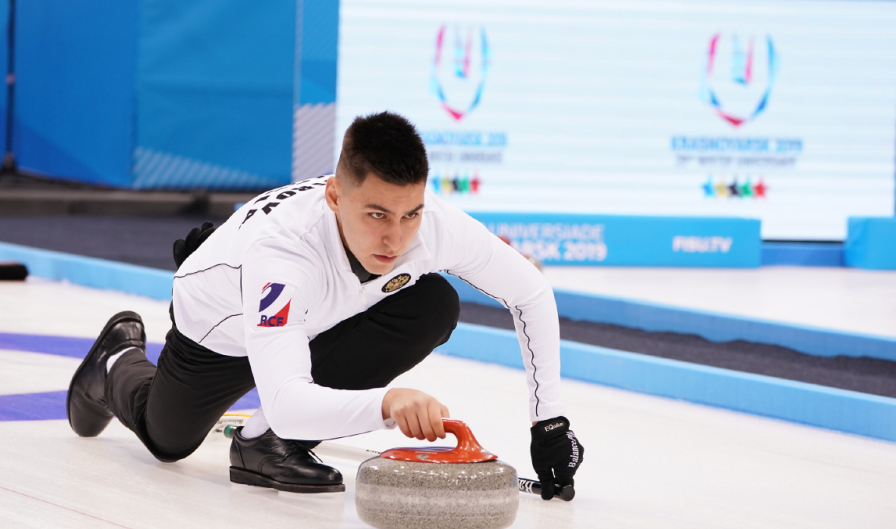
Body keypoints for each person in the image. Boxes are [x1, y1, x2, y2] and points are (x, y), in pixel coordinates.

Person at [66, 111, 583, 499]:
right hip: (222, 326)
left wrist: (550, 420)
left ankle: (263, 443)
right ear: (335, 196)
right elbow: (289, 399)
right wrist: (387, 403)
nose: (396, 237)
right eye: (377, 214)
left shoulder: (434, 226)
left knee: (432, 304)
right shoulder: (284, 257)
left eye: (411, 214)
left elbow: (530, 292)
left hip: (321, 315)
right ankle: (114, 362)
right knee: (169, 443)